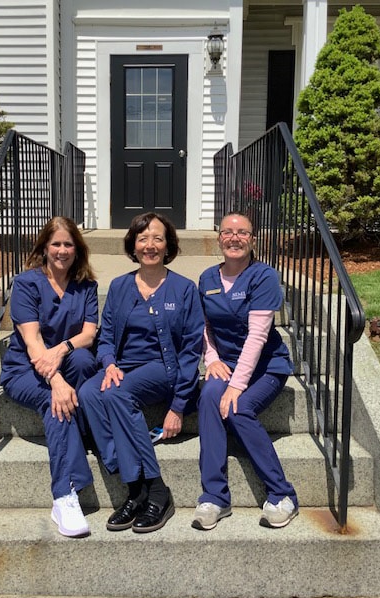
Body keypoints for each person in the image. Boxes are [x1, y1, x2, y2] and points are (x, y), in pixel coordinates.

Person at [79, 212, 204, 533]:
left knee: (117, 393)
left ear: (168, 245)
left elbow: (191, 352)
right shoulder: (119, 287)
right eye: (143, 238)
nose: (150, 245)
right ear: (133, 245)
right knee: (89, 392)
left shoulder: (184, 289)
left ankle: (155, 490)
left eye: (157, 238)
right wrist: (107, 364)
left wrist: (177, 407)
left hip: (165, 369)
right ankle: (135, 488)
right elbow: (105, 337)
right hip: (122, 368)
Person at [192, 211, 298, 531]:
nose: (234, 238)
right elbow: (203, 327)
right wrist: (211, 360)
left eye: (242, 233)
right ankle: (215, 496)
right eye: (228, 232)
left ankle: (282, 494)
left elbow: (257, 336)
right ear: (219, 238)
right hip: (226, 365)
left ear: (253, 240)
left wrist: (237, 386)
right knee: (209, 397)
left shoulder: (264, 276)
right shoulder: (207, 278)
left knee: (238, 410)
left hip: (266, 366)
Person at [0, 216, 98, 538]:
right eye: (55, 243)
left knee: (84, 360)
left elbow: (89, 333)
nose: (62, 250)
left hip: (64, 361)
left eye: (68, 243)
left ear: (77, 248)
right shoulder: (27, 283)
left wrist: (63, 349)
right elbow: (32, 341)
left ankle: (76, 432)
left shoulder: (86, 285)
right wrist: (56, 382)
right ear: (44, 247)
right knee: (55, 404)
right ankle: (64, 496)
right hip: (24, 370)